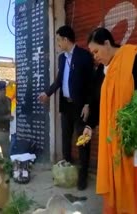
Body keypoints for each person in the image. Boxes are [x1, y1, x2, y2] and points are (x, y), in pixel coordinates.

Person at [85, 27, 137, 213]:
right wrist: (90, 125)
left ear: (107, 43)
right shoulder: (101, 71)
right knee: (119, 175)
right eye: (92, 53)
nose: (95, 56)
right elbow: (98, 101)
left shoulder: (133, 55)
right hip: (115, 136)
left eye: (96, 51)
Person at [38, 25, 94, 190]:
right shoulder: (62, 58)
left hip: (80, 107)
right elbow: (59, 80)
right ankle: (67, 169)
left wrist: (88, 104)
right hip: (66, 106)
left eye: (58, 40)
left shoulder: (84, 56)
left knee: (83, 141)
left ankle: (83, 175)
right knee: (65, 139)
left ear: (65, 39)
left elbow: (91, 84)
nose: (57, 43)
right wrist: (47, 94)